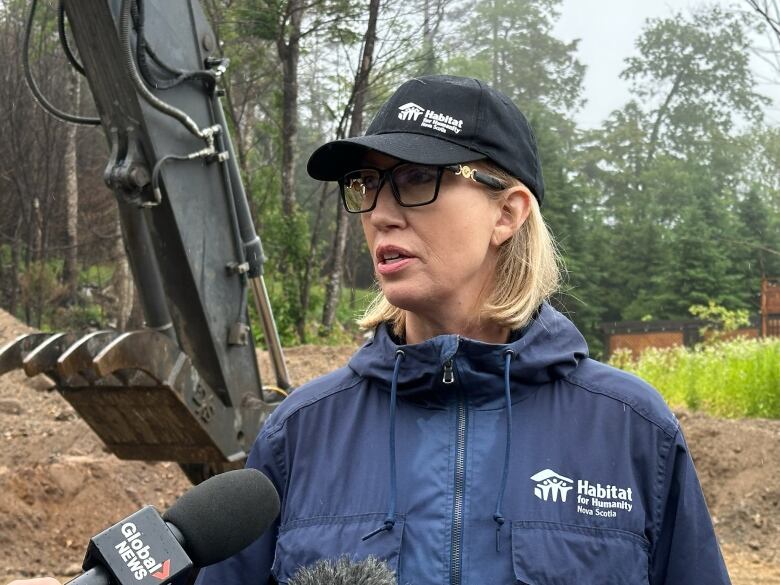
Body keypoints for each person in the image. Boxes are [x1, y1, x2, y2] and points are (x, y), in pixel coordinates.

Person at [7, 75, 730, 585]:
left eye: (416, 179)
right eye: (368, 185)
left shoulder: (631, 430)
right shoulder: (299, 433)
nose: (381, 211)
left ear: (507, 213)